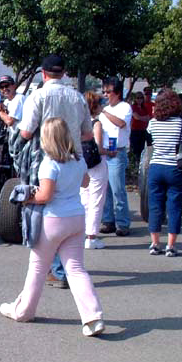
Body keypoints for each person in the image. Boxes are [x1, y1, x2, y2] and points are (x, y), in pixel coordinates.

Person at [0, 117, 105, 336]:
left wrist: (26, 197)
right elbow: (85, 182)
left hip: (53, 220)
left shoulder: (49, 163)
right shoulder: (77, 160)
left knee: (38, 267)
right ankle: (93, 317)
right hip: (77, 217)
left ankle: (24, 311)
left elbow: (45, 196)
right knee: (76, 269)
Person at [14, 54, 93, 290]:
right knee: (68, 205)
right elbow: (88, 134)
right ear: (64, 73)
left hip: (45, 157)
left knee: (45, 211)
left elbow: (26, 132)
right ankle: (62, 267)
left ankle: (54, 269)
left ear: (43, 73)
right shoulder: (77, 97)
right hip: (74, 158)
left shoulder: (38, 96)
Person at [146, 90, 182, 257]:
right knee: (174, 207)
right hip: (176, 168)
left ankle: (155, 243)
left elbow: (151, 141)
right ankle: (171, 246)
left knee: (155, 206)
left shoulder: (153, 123)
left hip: (156, 167)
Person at [99, 77, 133, 236]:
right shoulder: (104, 110)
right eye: (104, 91)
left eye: (108, 92)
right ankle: (108, 220)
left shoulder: (124, 107)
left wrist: (105, 112)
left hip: (117, 151)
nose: (105, 94)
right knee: (105, 189)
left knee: (118, 189)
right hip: (104, 152)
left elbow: (121, 123)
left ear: (117, 93)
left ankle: (122, 223)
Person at [81, 91, 109, 249]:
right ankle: (91, 236)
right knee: (96, 200)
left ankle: (83, 232)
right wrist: (109, 152)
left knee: (84, 198)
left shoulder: (79, 122)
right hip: (97, 164)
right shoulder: (96, 123)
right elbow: (98, 147)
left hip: (83, 163)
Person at [130, 91, 151, 162]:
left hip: (143, 130)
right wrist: (143, 118)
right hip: (135, 130)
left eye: (141, 98)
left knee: (142, 149)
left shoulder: (144, 108)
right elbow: (136, 117)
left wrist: (141, 118)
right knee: (135, 149)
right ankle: (134, 163)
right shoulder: (133, 107)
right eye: (138, 98)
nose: (139, 99)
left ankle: (139, 162)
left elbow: (148, 117)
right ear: (135, 99)